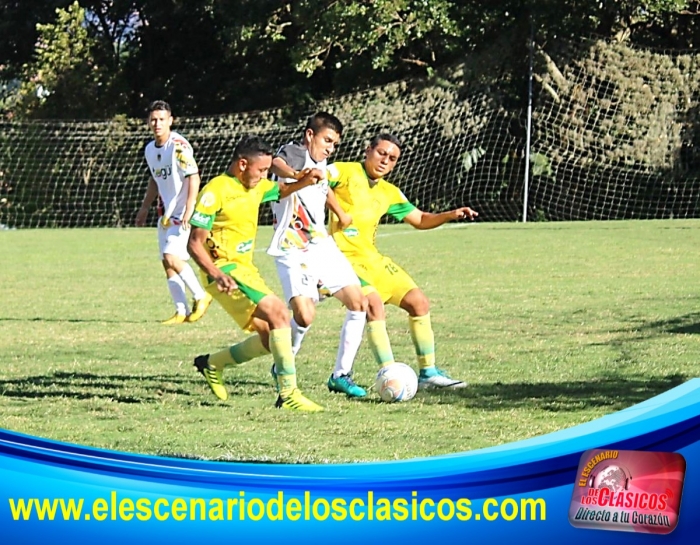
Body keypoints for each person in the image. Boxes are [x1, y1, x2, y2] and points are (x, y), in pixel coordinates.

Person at [326, 133, 479, 389]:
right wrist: (339, 212)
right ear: (368, 150)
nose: (385, 161)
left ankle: (428, 373)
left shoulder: (389, 192)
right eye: (381, 153)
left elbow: (419, 220)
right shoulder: (345, 171)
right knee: (373, 304)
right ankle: (389, 372)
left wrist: (450, 214)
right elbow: (317, 179)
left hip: (372, 259)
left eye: (392, 158)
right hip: (343, 258)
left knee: (418, 302)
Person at [188, 134, 324, 411]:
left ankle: (213, 363)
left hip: (244, 268)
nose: (265, 176)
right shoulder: (216, 190)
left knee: (269, 338)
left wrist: (304, 181)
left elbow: (279, 191)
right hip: (225, 269)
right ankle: (289, 394)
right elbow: (194, 243)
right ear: (241, 164)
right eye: (262, 170)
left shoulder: (257, 185)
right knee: (279, 313)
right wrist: (215, 273)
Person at [267, 112, 368, 398]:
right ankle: (282, 366)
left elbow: (322, 187)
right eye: (327, 140)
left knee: (359, 302)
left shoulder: (320, 161)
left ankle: (341, 375)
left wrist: (340, 213)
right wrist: (298, 176)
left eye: (334, 144)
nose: (330, 148)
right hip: (292, 245)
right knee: (305, 315)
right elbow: (277, 163)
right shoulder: (296, 153)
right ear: (310, 135)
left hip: (320, 244)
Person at [136, 100, 212, 325]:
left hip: (182, 212)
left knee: (172, 257)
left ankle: (201, 295)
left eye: (161, 119)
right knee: (166, 262)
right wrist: (144, 207)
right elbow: (154, 180)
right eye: (153, 119)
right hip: (166, 213)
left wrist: (190, 209)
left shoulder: (178, 146)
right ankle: (181, 311)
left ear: (171, 121)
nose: (157, 123)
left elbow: (193, 176)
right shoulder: (150, 149)